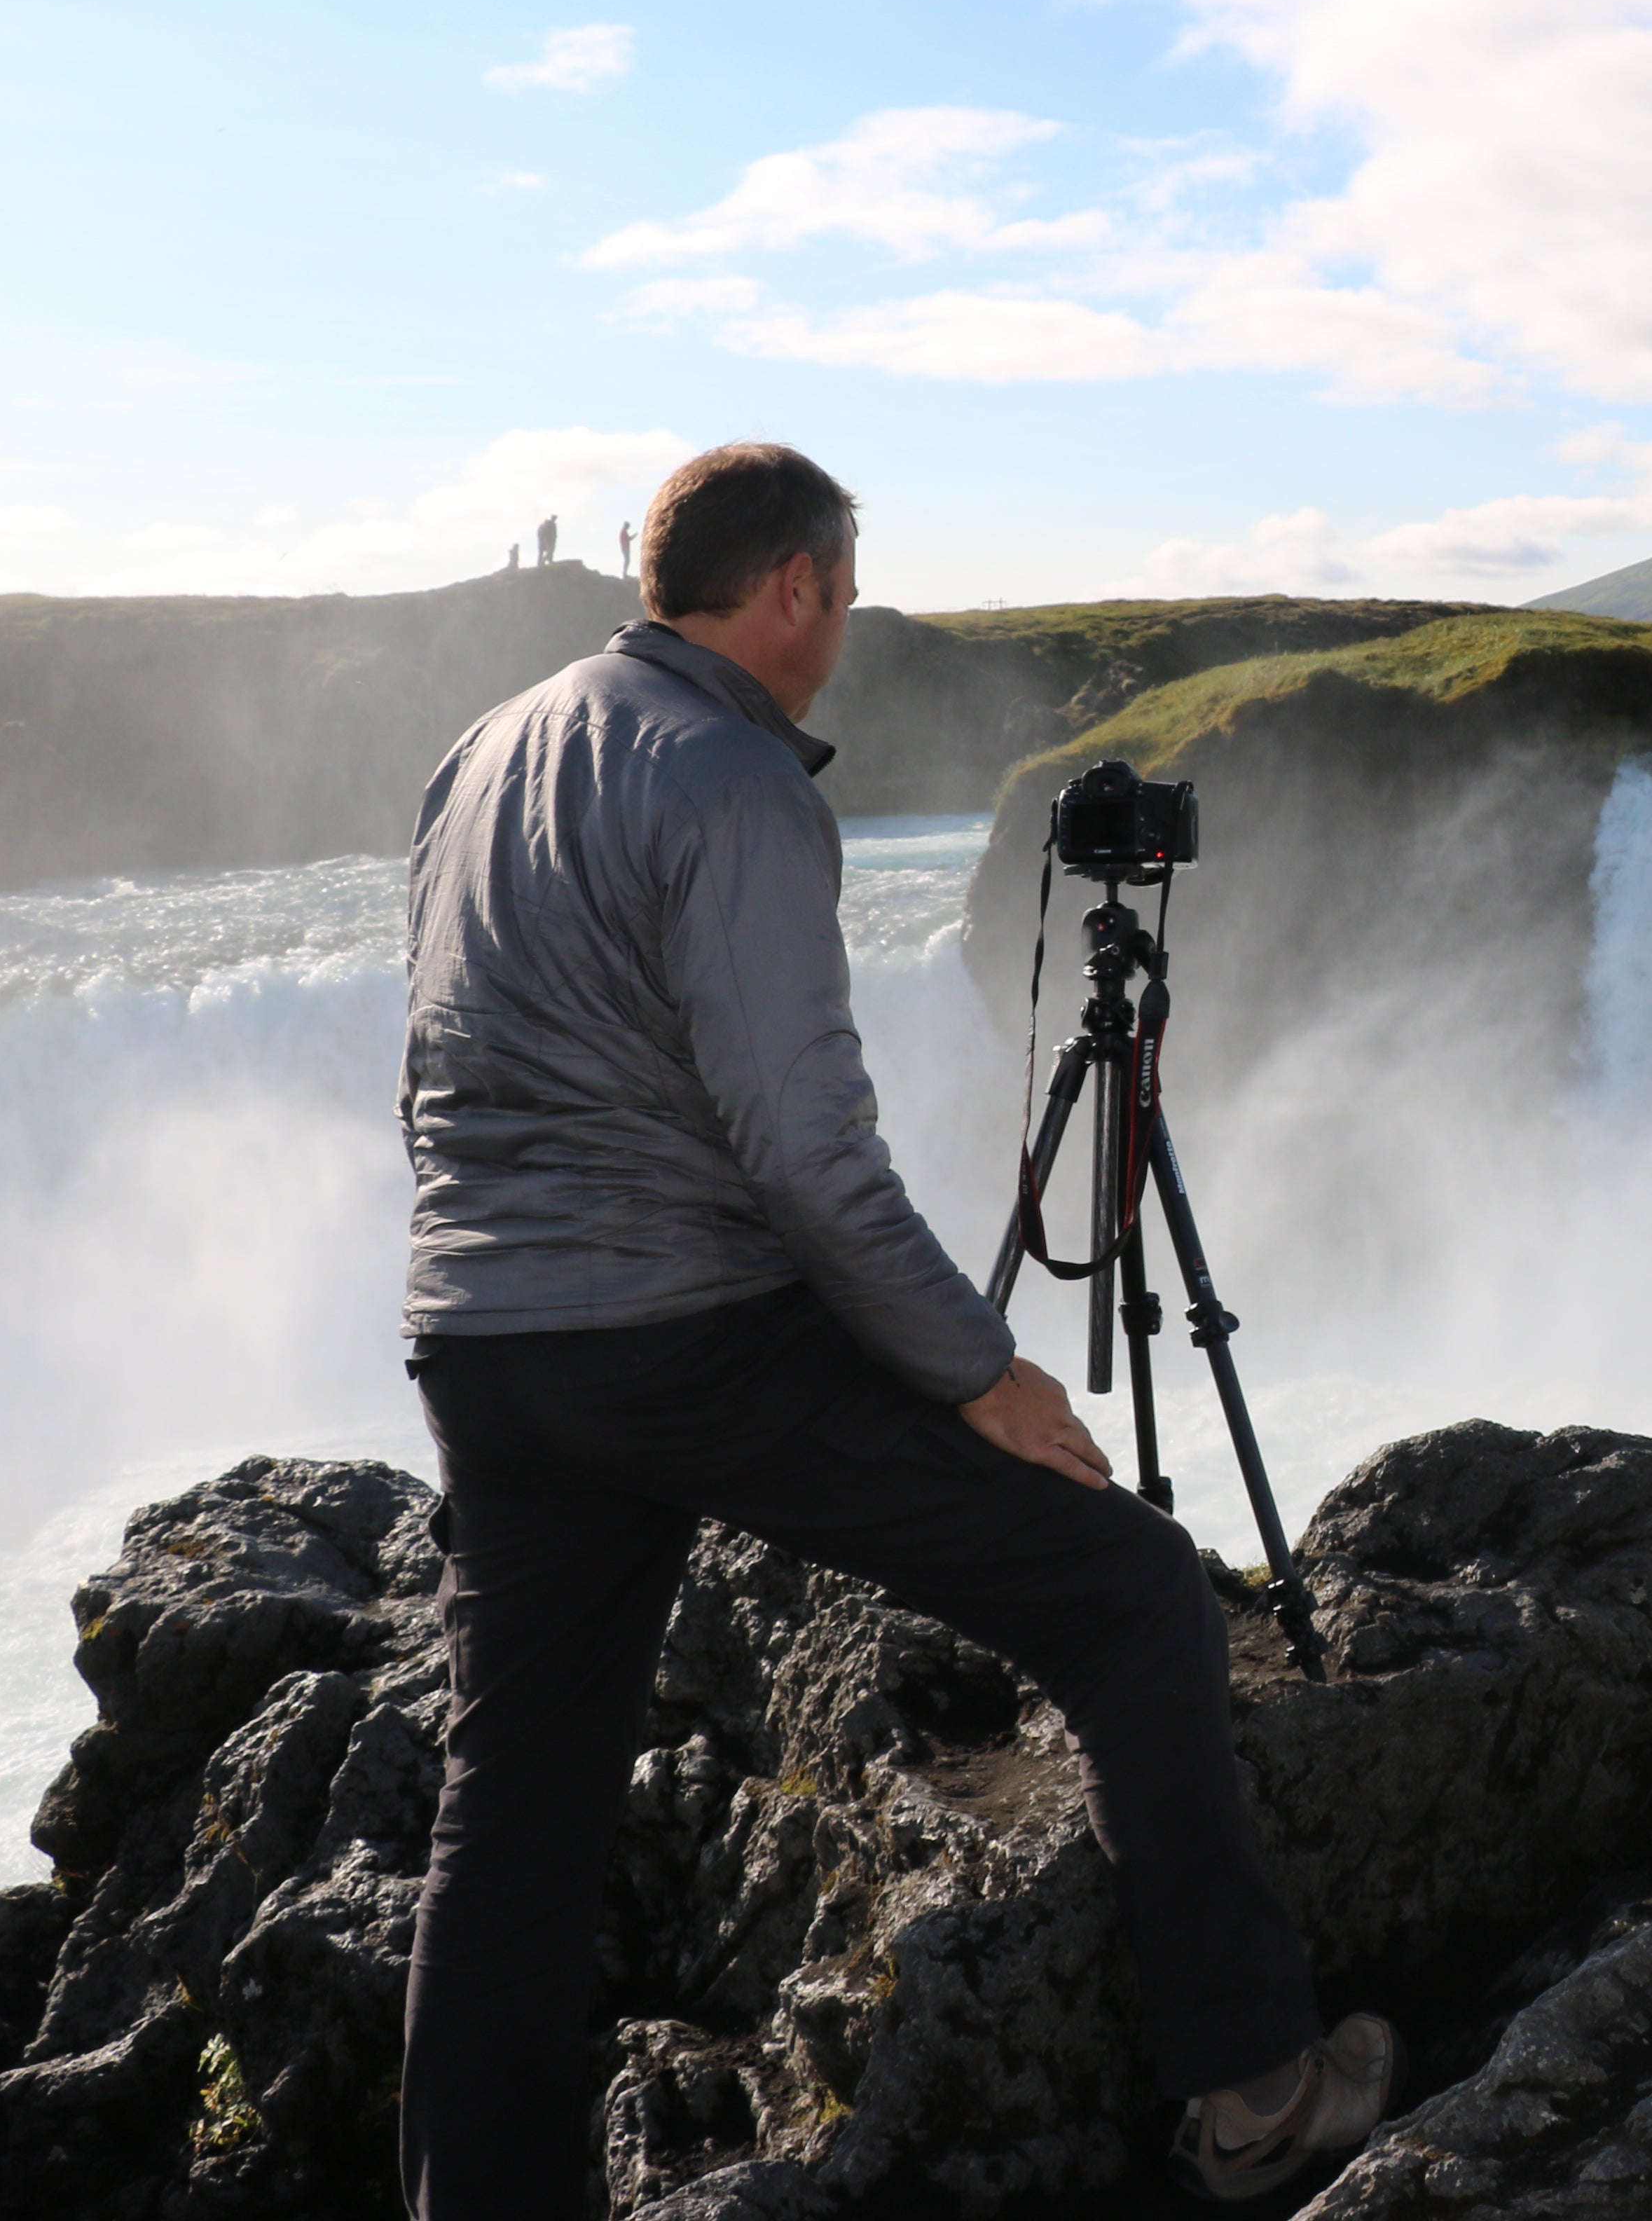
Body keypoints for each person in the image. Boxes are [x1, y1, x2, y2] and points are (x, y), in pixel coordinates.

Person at [392, 442, 1388, 2216]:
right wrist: (976, 1367)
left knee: (515, 1819)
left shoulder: (483, 752)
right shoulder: (733, 776)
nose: (840, 626)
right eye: (842, 594)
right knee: (1132, 1588)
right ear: (792, 586)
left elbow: (431, 1075)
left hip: (486, 1341)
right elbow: (801, 1144)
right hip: (683, 1334)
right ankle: (1257, 2091)